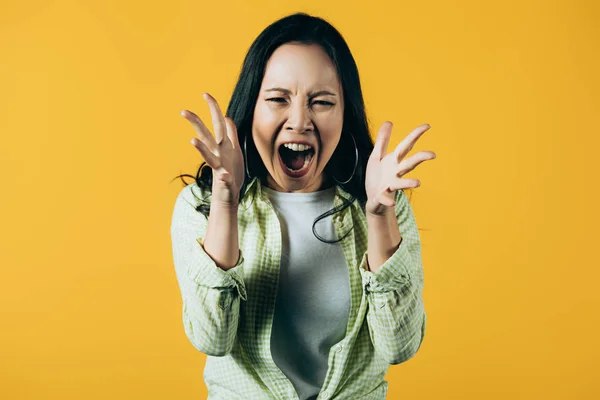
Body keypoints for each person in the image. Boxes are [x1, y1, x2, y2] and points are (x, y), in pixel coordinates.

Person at [170, 12, 436, 400]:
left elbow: (400, 347)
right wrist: (226, 204)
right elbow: (213, 339)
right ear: (252, 107)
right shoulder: (200, 206)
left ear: (345, 114)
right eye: (278, 99)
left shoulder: (382, 209)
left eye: (322, 102)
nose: (300, 121)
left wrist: (379, 218)